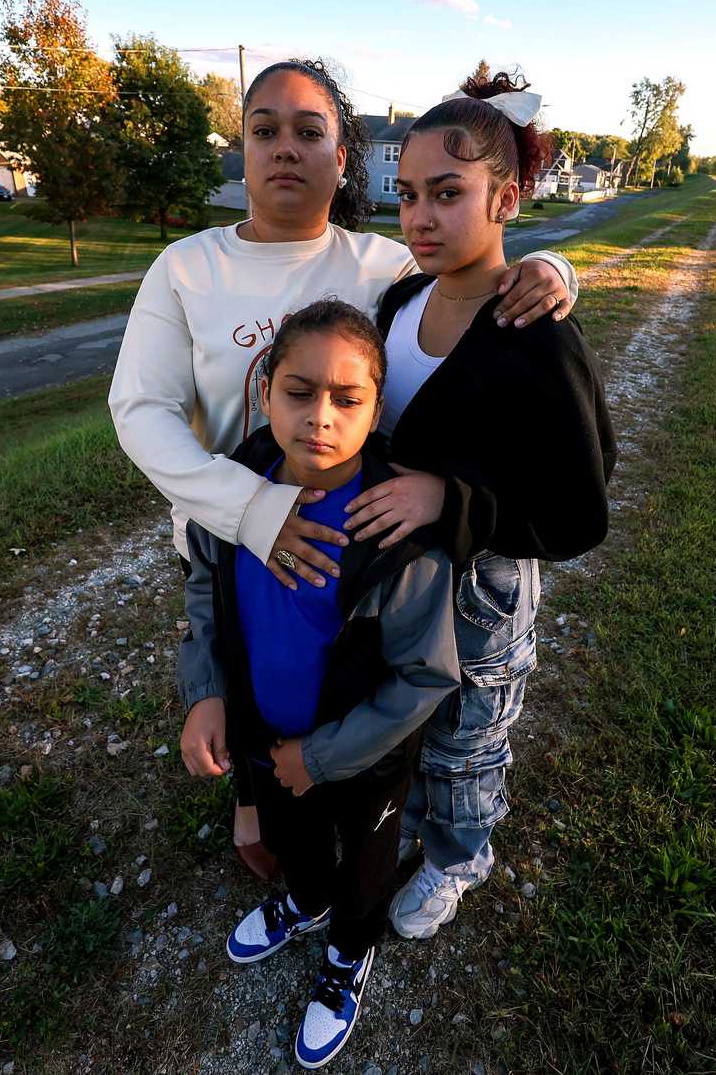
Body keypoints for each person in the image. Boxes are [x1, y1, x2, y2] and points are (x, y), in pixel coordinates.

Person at [109, 59, 579, 879]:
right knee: (249, 670)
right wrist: (251, 508)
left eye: (309, 131)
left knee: (336, 686)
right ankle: (256, 795)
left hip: (348, 546)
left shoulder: (379, 266)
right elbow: (140, 411)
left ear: (343, 158)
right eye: (264, 130)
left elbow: (473, 283)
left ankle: (357, 829)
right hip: (230, 534)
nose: (284, 148)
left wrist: (554, 272)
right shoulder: (185, 268)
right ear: (243, 149)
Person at [337, 69, 615, 941]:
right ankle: (412, 815)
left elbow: (579, 511)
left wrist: (450, 498)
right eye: (408, 192)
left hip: (484, 587)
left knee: (469, 731)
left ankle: (461, 855)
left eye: (448, 194)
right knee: (408, 711)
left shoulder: (535, 331)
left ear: (507, 198)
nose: (418, 216)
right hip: (402, 575)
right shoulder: (398, 301)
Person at [177, 300, 459, 1069]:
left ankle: (347, 952)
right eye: (299, 391)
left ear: (377, 405)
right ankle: (305, 898)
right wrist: (204, 688)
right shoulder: (232, 485)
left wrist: (325, 755)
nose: (320, 418)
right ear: (265, 389)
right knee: (293, 837)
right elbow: (204, 583)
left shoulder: (396, 534)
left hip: (360, 755)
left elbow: (426, 675)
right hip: (263, 733)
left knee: (365, 860)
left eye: (347, 398)